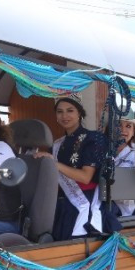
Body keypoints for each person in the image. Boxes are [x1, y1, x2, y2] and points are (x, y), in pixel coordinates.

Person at [33, 96, 108, 240]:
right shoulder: (57, 144)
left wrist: (54, 163)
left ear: (79, 113)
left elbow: (85, 177)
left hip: (83, 202)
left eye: (70, 111)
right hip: (60, 201)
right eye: (60, 112)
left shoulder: (94, 138)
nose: (64, 116)